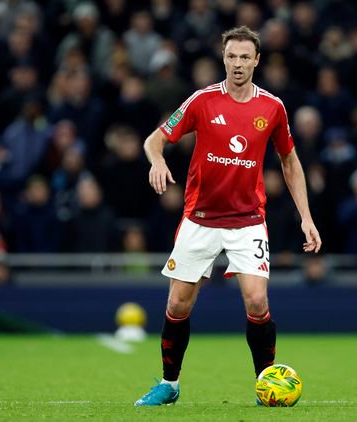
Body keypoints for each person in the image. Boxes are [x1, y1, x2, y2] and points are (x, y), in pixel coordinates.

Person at [134, 26, 322, 407]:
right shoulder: (202, 101)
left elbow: (290, 160)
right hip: (200, 219)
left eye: (244, 57)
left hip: (247, 220)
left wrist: (306, 216)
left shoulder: (272, 107)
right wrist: (156, 161)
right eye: (231, 56)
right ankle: (170, 385)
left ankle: (264, 384)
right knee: (177, 306)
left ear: (257, 60)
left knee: (256, 300)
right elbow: (154, 140)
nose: (237, 64)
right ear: (224, 58)